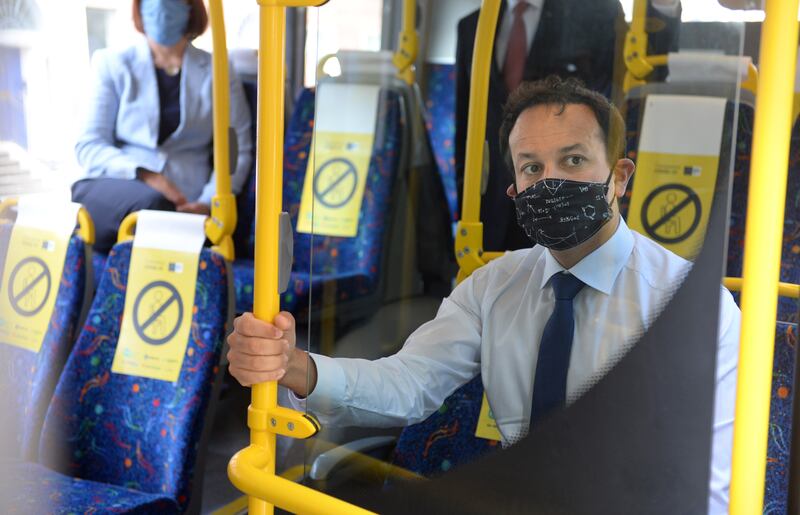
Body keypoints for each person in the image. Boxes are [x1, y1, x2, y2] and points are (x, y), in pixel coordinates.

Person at [226, 77, 739, 513]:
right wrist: (295, 367)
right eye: (532, 168)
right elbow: (409, 383)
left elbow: (709, 491)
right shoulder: (495, 286)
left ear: (619, 177)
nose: (552, 181)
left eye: (575, 159)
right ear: (514, 190)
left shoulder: (693, 308)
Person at [454, 0, 682, 252]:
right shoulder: (472, 25)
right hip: (494, 199)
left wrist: (664, 5)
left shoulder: (595, 11)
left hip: (575, 198)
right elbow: (466, 117)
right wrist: (466, 189)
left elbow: (647, 70)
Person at [72, 0, 252, 253]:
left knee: (161, 213)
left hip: (187, 199)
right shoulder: (112, 64)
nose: (162, 7)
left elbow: (236, 149)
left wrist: (209, 202)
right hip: (115, 185)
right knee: (152, 205)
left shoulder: (219, 70)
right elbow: (90, 145)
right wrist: (148, 175)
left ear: (190, 8)